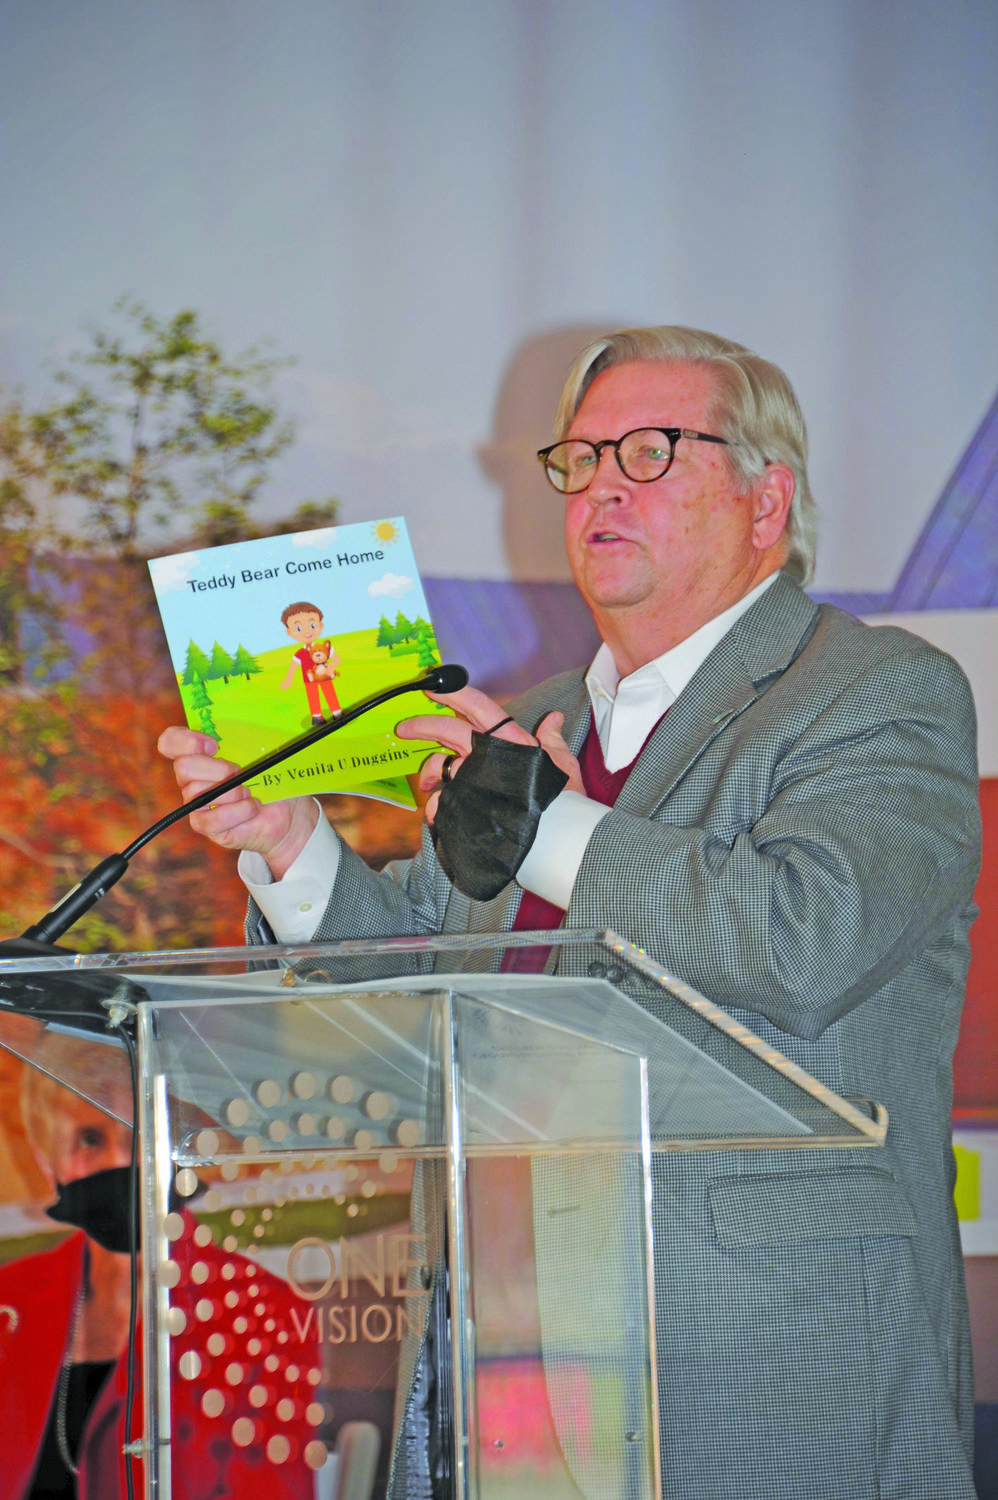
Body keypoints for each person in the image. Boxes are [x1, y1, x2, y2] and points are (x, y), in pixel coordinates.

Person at [159, 325, 982, 1498]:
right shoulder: (534, 719)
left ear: (766, 499)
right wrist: (295, 852)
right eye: (579, 458)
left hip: (754, 1357)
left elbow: (806, 937)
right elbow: (412, 1006)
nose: (599, 483)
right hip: (505, 1357)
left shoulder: (873, 691)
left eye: (647, 451)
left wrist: (534, 825)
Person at [0, 1031, 321, 1499]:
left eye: (138, 1138)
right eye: (90, 1138)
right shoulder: (11, 1298)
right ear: (46, 1162)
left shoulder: (257, 1310)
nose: (117, 1160)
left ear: (176, 1152)